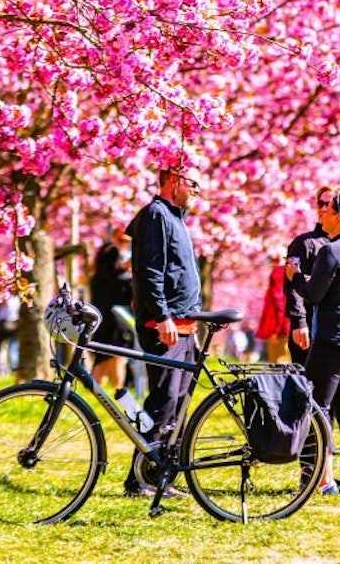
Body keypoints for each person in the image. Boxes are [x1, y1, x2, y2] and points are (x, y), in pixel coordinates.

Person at [287, 191, 340, 495]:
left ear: (339, 215)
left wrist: (296, 276)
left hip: (333, 341)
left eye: (327, 209)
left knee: (319, 408)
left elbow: (313, 295)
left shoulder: (332, 251)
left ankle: (324, 480)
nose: (320, 213)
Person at [123, 165, 203, 497]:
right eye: (193, 183)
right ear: (174, 180)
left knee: (178, 403)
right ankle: (140, 478)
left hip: (185, 328)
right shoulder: (155, 215)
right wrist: (162, 316)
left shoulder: (175, 218)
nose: (198, 190)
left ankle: (161, 476)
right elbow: (149, 272)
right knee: (163, 399)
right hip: (165, 327)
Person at [285, 186, 340, 367]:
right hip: (309, 326)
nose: (324, 208)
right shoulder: (303, 243)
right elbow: (291, 283)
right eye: (321, 203)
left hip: (338, 327)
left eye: (330, 204)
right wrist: (299, 322)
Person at [89, 240, 134, 389]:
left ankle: (92, 396)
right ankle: (119, 396)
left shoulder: (95, 279)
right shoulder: (124, 279)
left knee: (100, 361)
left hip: (100, 324)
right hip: (119, 325)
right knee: (118, 361)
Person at [256, 249, 290, 362]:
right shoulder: (286, 272)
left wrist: (276, 330)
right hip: (285, 327)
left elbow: (280, 302)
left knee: (278, 365)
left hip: (279, 330)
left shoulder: (278, 273)